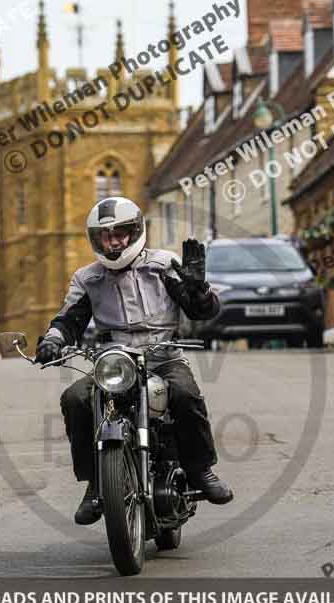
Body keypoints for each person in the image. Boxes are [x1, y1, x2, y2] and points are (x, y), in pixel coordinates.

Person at [36, 197, 233, 525]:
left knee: (185, 395)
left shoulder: (163, 265)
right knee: (75, 399)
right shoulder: (88, 278)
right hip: (114, 361)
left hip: (163, 356)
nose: (113, 241)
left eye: (120, 233)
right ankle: (96, 484)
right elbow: (69, 320)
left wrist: (198, 290)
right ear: (95, 240)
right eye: (104, 235)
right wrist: (53, 342)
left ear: (135, 232)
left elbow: (202, 312)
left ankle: (200, 470)